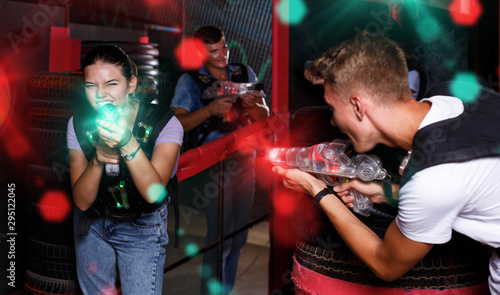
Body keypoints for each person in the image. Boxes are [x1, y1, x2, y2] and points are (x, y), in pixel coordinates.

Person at [274, 34, 500, 294]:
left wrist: (317, 191)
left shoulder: (434, 179)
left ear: (358, 106)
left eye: (333, 109)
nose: (334, 122)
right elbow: (473, 185)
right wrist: (387, 192)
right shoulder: (450, 95)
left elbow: (386, 265)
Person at [67, 45, 183, 294]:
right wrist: (99, 158)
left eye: (111, 84)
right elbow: (82, 201)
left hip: (141, 226)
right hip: (93, 223)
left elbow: (153, 194)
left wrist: (126, 142)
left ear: (131, 84)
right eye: (91, 86)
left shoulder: (165, 122)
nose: (100, 95)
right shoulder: (77, 123)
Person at [170, 26, 269, 294]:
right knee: (218, 238)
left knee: (239, 237)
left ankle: (225, 290)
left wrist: (254, 106)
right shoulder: (190, 81)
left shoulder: (244, 72)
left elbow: (266, 115)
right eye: (213, 51)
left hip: (246, 160)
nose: (222, 54)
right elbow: (175, 123)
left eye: (224, 47)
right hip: (214, 165)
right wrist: (209, 111)